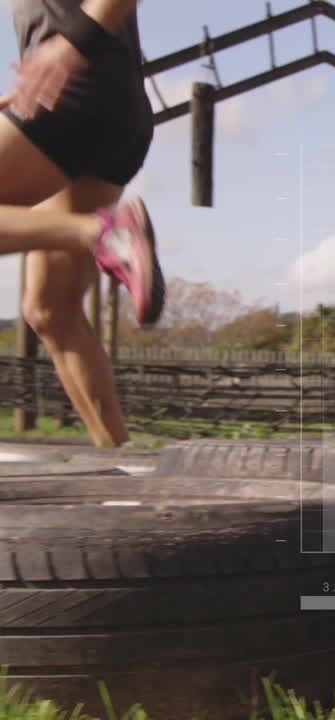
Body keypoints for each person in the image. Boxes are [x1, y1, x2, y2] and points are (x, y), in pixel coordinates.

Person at [0, 0, 164, 448]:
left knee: (55, 304)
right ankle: (123, 463)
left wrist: (69, 49)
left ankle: (100, 232)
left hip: (77, 93)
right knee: (51, 310)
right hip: (101, 108)